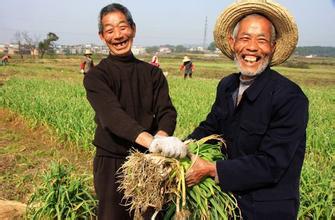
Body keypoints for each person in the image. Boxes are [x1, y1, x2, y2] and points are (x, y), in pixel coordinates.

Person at [184, 1, 308, 219]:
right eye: (245, 38)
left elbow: (272, 163)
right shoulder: (227, 86)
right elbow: (211, 129)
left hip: (268, 209)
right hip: (228, 203)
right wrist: (181, 148)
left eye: (261, 40)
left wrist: (212, 169)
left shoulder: (289, 97)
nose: (252, 47)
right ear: (233, 43)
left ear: (273, 46)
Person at [83, 3, 187, 220]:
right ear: (102, 37)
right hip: (113, 162)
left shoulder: (152, 74)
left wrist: (161, 138)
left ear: (133, 29)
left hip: (150, 162)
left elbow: (167, 112)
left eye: (123, 27)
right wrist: (152, 142)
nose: (118, 35)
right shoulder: (96, 76)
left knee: (153, 215)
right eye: (110, 30)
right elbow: (112, 117)